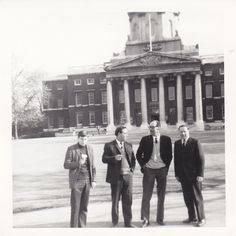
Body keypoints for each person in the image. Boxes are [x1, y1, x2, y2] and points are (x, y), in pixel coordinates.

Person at [136, 120, 172, 227]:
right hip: (149, 171)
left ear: (158, 127)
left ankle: (160, 218)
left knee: (161, 196)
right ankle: (145, 219)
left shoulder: (166, 139)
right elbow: (138, 154)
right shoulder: (145, 139)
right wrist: (144, 166)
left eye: (153, 127)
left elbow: (170, 155)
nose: (151, 129)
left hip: (162, 170)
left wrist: (166, 168)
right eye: (150, 127)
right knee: (146, 195)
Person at [102, 126, 136, 227]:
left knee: (128, 200)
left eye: (127, 133)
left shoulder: (129, 145)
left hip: (128, 177)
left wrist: (132, 170)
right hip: (116, 178)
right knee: (115, 200)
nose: (127, 135)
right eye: (125, 133)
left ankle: (128, 223)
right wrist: (114, 158)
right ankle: (115, 223)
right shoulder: (109, 145)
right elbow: (104, 159)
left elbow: (133, 159)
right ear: (118, 134)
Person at [174, 124, 206, 227]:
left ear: (188, 131)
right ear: (179, 133)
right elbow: (176, 161)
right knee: (187, 198)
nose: (183, 133)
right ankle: (192, 217)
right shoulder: (177, 143)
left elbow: (201, 159)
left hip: (194, 176)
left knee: (197, 198)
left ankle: (202, 218)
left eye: (185, 131)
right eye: (181, 132)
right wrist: (177, 174)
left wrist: (200, 174)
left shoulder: (195, 142)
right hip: (183, 176)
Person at [64, 130, 96, 227]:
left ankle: (82, 228)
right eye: (81, 139)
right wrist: (79, 163)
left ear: (87, 139)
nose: (83, 141)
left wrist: (93, 180)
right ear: (78, 138)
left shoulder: (90, 148)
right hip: (76, 181)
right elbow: (66, 165)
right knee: (75, 207)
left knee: (84, 207)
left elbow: (93, 166)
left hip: (87, 180)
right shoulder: (71, 149)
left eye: (85, 139)